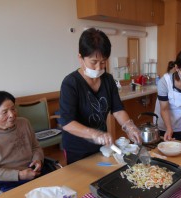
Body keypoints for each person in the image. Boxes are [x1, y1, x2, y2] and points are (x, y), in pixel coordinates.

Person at [59, 28, 141, 164]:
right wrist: (94, 134)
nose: (98, 68)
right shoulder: (70, 83)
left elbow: (118, 109)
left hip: (103, 146)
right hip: (77, 149)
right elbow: (67, 123)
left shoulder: (108, 80)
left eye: (103, 62)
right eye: (94, 62)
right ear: (81, 58)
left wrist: (129, 126)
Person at [0, 90, 44, 194]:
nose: (12, 114)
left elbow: (35, 147)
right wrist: (19, 175)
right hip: (5, 181)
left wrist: (38, 160)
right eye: (5, 112)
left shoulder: (24, 123)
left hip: (33, 172)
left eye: (13, 108)